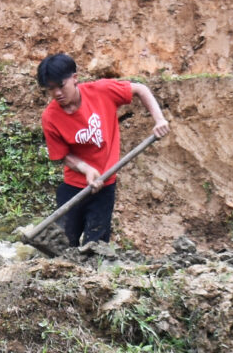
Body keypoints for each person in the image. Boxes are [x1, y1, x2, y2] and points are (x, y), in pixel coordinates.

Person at [37, 53, 169, 248]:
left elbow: (140, 89)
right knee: (64, 245)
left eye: (61, 85)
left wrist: (159, 119)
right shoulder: (51, 117)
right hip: (73, 189)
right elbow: (63, 155)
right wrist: (86, 169)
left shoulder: (101, 91)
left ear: (74, 78)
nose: (57, 93)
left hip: (105, 186)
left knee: (96, 246)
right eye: (51, 89)